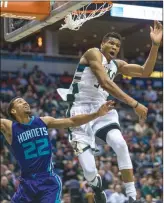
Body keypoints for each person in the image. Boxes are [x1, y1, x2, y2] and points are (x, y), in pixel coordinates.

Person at [57, 20, 162, 203]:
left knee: (120, 144)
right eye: (111, 43)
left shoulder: (117, 65)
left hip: (102, 108)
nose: (114, 46)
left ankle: (131, 196)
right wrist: (134, 103)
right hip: (78, 111)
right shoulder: (93, 53)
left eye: (117, 45)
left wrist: (155, 45)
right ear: (102, 44)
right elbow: (105, 82)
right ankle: (97, 187)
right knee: (89, 171)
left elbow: (145, 71)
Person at [0, 97, 114, 203]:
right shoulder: (9, 127)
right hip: (26, 183)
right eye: (20, 102)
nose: (25, 102)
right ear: (13, 111)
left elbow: (72, 121)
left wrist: (97, 114)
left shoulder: (43, 121)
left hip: (47, 182)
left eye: (25, 101)